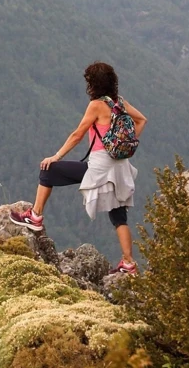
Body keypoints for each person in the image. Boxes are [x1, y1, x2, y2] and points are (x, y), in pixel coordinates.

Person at [9, 61, 147, 274]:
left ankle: (35, 216)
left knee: (48, 171)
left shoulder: (97, 105)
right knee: (119, 215)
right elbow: (141, 120)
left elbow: (78, 134)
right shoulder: (119, 103)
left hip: (100, 166)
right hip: (120, 167)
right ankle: (128, 264)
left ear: (94, 84)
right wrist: (125, 145)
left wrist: (56, 156)